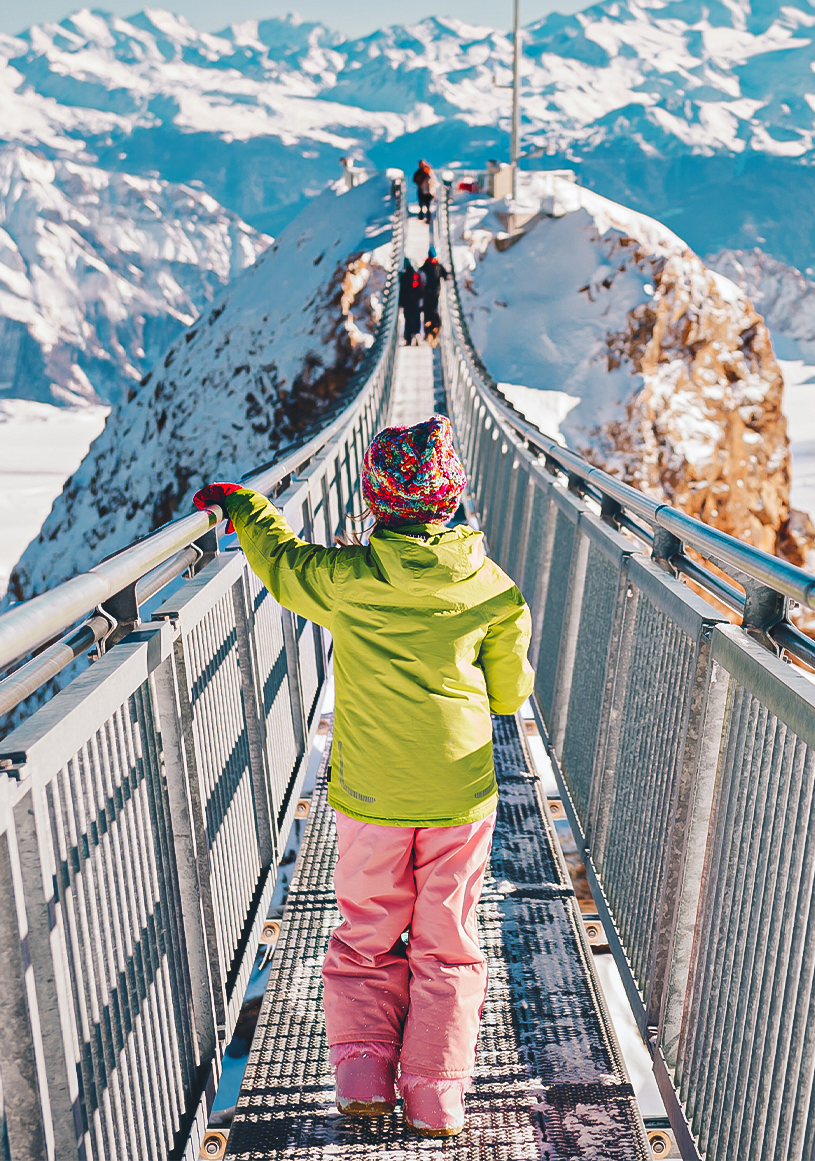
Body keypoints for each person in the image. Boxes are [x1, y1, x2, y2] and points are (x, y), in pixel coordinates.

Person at [192, 416, 534, 1138]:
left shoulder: (348, 580)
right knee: (448, 940)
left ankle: (364, 1082)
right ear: (455, 499)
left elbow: (283, 564)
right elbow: (507, 696)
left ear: (376, 501)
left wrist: (248, 506)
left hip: (371, 795)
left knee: (366, 934)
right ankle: (437, 1096)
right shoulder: (495, 590)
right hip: (459, 794)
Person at [420, 246, 448, 345]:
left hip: (435, 294)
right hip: (427, 294)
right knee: (427, 312)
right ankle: (428, 333)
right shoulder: (426, 267)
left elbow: (446, 275)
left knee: (434, 313)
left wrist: (448, 277)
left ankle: (433, 333)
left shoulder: (438, 267)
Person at [398, 258, 425, 345]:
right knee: (416, 318)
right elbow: (421, 288)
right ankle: (417, 335)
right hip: (416, 302)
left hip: (407, 302)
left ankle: (408, 339)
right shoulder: (416, 275)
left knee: (408, 320)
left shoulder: (403, 276)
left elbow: (401, 291)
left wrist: (401, 303)